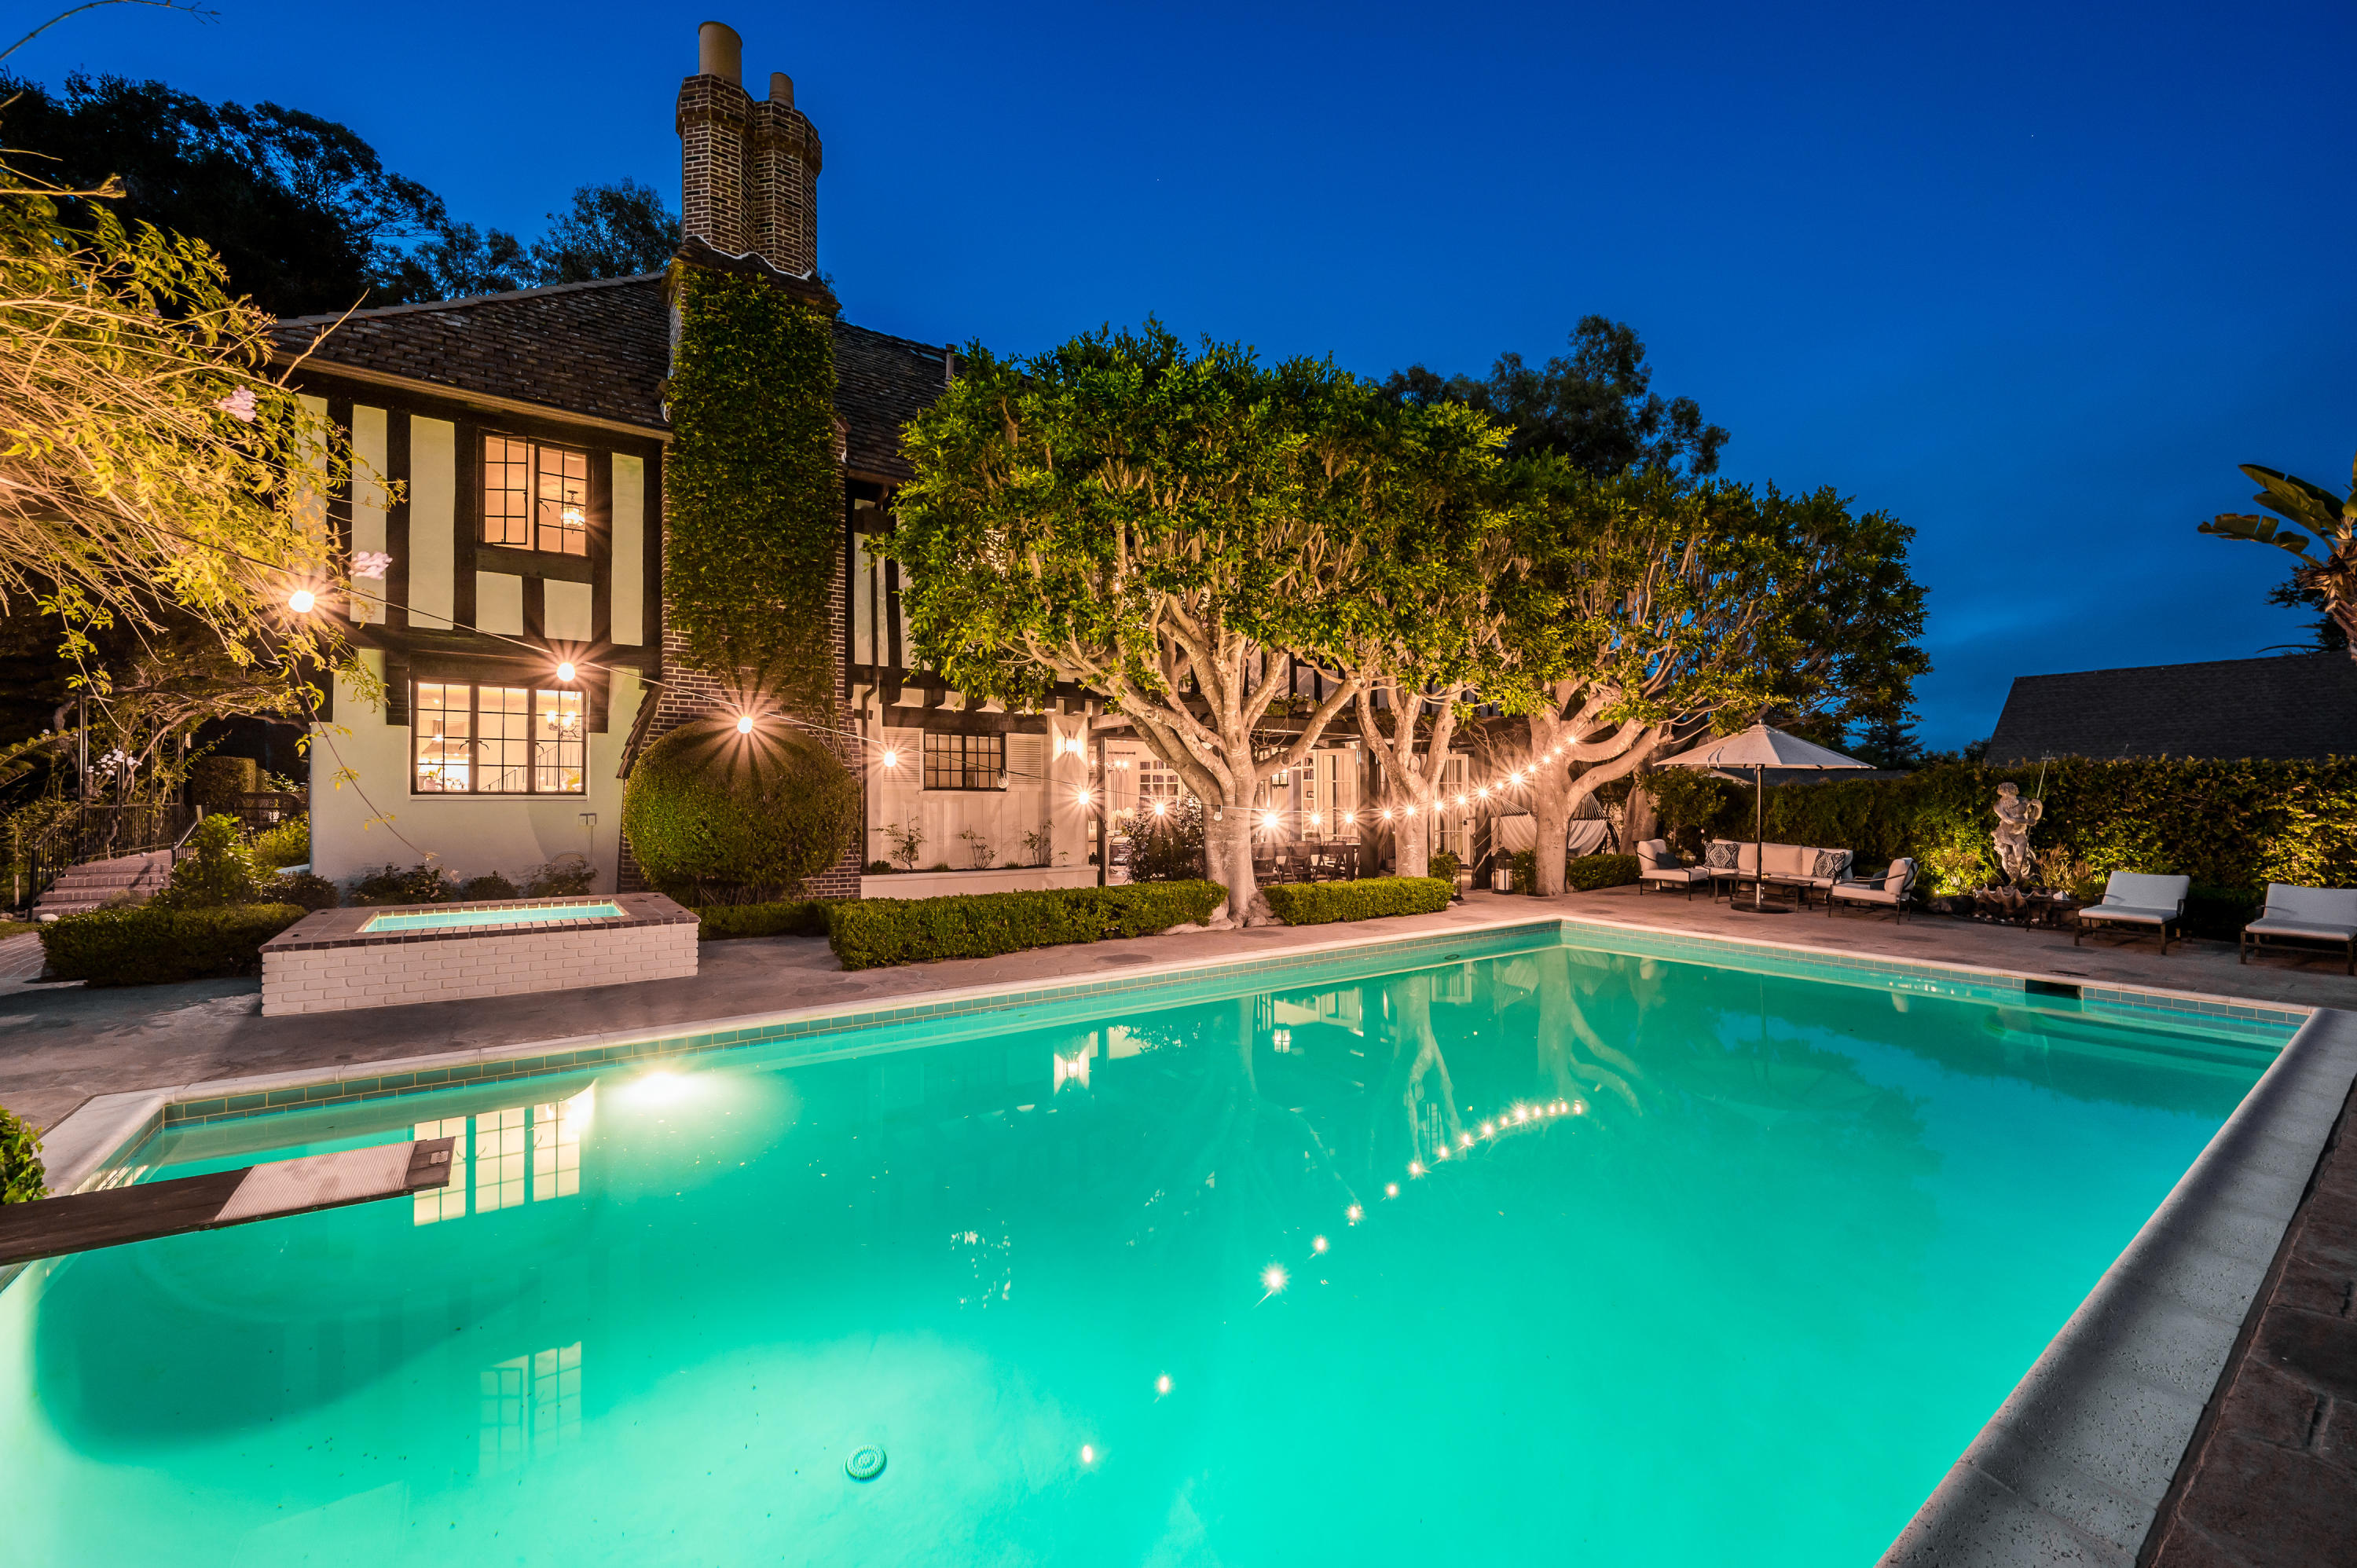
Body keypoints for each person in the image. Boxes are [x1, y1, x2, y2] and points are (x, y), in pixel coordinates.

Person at [1992, 782, 2043, 885]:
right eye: (2007, 795)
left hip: (2020, 834)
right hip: (2005, 835)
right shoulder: (1998, 806)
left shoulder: (2024, 801)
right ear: (2002, 794)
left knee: (2021, 858)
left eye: (2012, 794)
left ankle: (2026, 880)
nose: (2010, 798)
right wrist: (2026, 822)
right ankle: (2014, 880)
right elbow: (2009, 820)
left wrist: (2039, 807)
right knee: (2007, 859)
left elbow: (2034, 818)